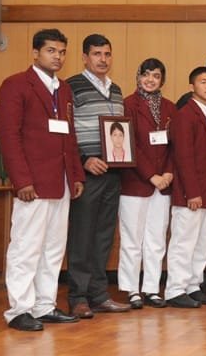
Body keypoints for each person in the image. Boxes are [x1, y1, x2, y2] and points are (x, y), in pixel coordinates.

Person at [0, 28, 85, 331]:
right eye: (51, 50)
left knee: (52, 248)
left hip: (60, 182)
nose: (57, 57)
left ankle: (44, 304)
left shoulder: (64, 90)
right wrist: (21, 180)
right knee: (26, 246)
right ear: (35, 53)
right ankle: (19, 309)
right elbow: (9, 137)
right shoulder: (16, 85)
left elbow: (69, 138)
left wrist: (75, 175)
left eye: (62, 51)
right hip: (32, 184)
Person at [66, 34, 130, 318]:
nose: (102, 59)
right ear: (84, 57)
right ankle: (78, 297)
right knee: (82, 236)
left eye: (107, 54)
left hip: (113, 173)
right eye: (96, 54)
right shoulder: (71, 87)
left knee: (104, 236)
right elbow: (65, 131)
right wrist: (83, 160)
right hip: (87, 173)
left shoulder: (116, 89)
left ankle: (99, 295)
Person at [118, 58, 176, 309]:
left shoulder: (170, 107)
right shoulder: (126, 105)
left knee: (156, 238)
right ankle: (131, 289)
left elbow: (177, 146)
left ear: (162, 80)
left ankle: (151, 288)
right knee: (133, 239)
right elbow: (128, 144)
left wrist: (169, 173)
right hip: (135, 183)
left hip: (163, 184)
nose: (150, 80)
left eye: (156, 76)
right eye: (146, 75)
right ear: (138, 76)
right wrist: (151, 175)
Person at [164, 67, 206, 308]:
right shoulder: (185, 115)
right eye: (203, 81)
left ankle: (193, 284)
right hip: (192, 191)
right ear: (191, 86)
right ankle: (175, 289)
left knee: (202, 241)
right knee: (183, 241)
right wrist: (191, 192)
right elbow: (183, 157)